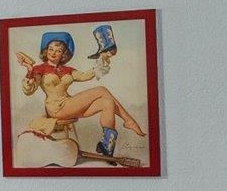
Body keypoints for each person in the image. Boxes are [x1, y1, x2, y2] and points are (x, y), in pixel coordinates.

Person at [15, 29, 145, 163]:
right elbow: (28, 90)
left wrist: (103, 58)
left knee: (108, 103)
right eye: (51, 49)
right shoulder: (39, 69)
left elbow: (85, 76)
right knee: (101, 89)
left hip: (69, 104)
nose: (53, 53)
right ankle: (129, 121)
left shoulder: (68, 70)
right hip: (56, 108)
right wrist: (30, 71)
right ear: (46, 50)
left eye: (58, 51)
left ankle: (106, 147)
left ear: (63, 54)